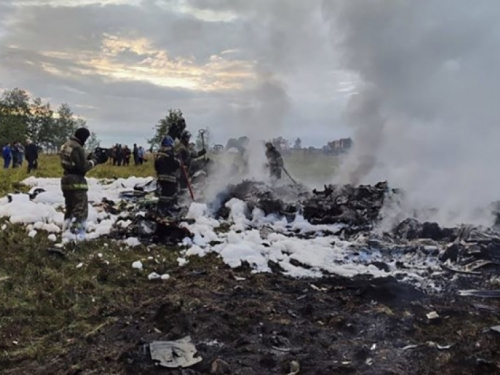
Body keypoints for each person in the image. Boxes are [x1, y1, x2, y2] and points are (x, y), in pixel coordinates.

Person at [59, 127, 108, 240]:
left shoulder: (66, 145)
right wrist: (95, 160)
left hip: (66, 179)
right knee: (80, 209)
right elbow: (83, 167)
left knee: (70, 208)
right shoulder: (77, 148)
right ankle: (76, 234)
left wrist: (87, 158)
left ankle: (65, 230)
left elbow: (74, 161)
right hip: (76, 181)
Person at [154, 136, 180, 216]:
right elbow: (175, 165)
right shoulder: (170, 155)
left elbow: (156, 167)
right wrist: (178, 160)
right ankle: (170, 211)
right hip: (170, 179)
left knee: (163, 195)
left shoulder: (158, 155)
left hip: (161, 179)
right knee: (171, 196)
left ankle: (161, 210)